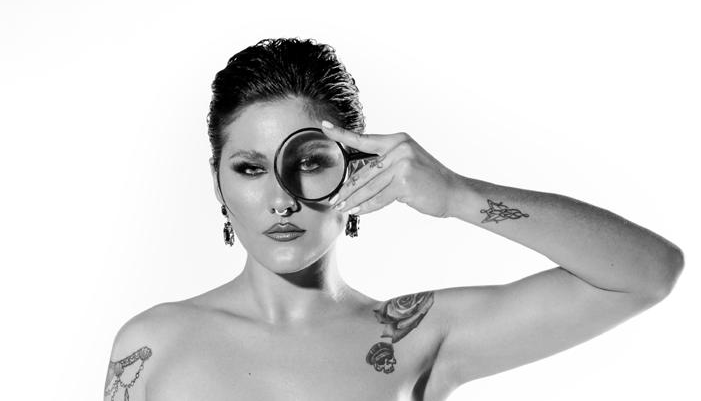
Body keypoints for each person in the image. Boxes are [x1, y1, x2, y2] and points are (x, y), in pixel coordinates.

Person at [104, 37, 684, 401]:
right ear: (218, 184)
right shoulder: (153, 345)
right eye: (250, 169)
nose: (281, 199)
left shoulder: (418, 335)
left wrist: (458, 195)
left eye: (309, 162)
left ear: (356, 168)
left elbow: (648, 273)